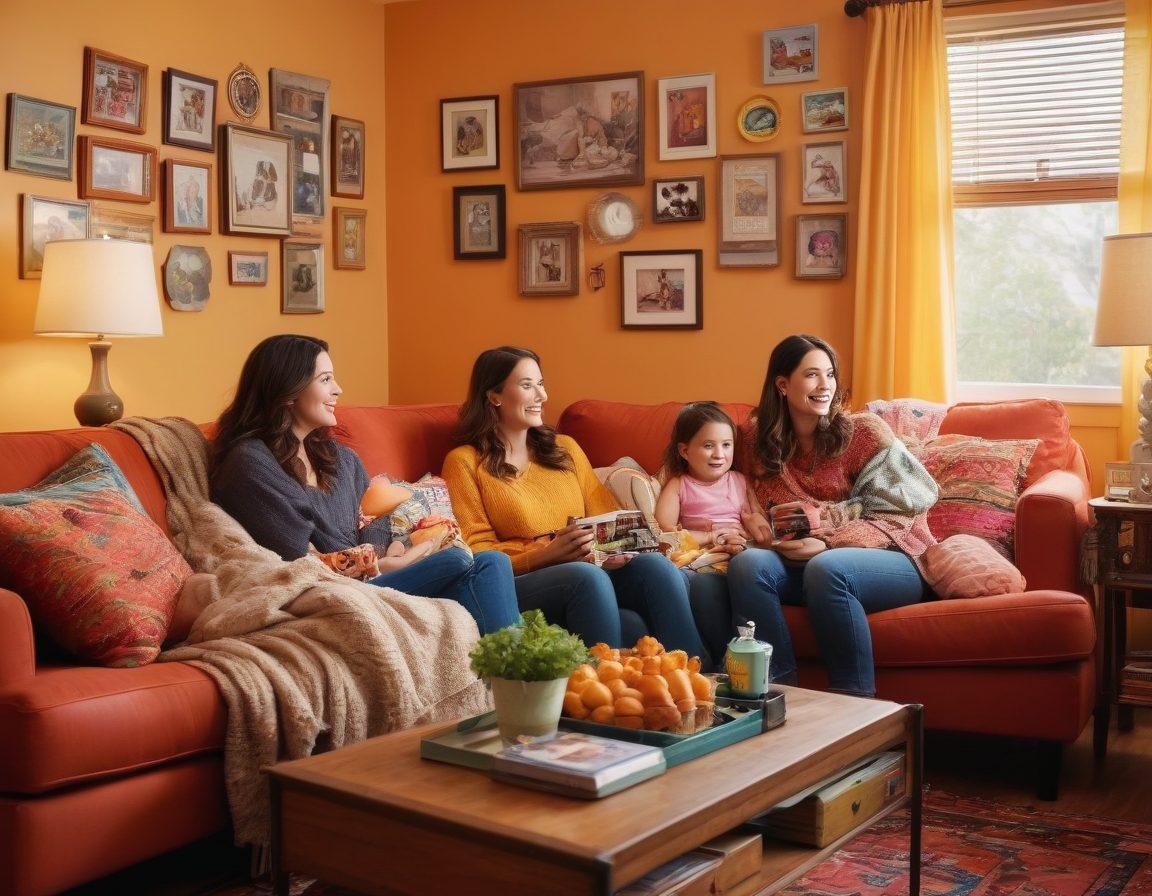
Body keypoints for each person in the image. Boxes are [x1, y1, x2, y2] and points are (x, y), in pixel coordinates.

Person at [209, 334, 521, 636]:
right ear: (288, 392)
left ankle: (521, 679)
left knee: (494, 564)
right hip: (328, 595)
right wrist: (380, 565)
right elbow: (294, 555)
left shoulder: (340, 459)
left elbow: (371, 518)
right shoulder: (250, 462)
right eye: (325, 380)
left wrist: (390, 552)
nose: (338, 390)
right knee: (461, 560)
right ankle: (523, 679)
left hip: (370, 580)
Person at [442, 346, 708, 660]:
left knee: (655, 567)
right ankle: (602, 692)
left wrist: (611, 550)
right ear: (494, 396)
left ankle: (699, 676)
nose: (541, 394)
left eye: (541, 383)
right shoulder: (465, 462)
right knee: (588, 578)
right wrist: (547, 554)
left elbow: (607, 517)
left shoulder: (564, 448)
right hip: (523, 579)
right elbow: (475, 552)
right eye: (527, 385)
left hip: (587, 564)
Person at [728, 334, 939, 696]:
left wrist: (825, 541)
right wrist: (753, 529)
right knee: (748, 565)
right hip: (801, 564)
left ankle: (856, 709)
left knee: (828, 567)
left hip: (893, 557)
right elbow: (728, 492)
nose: (825, 385)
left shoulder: (865, 433)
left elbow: (908, 505)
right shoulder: (753, 441)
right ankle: (775, 696)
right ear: (782, 384)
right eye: (811, 375)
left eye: (830, 374)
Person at [654, 402, 759, 663]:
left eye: (726, 445)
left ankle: (736, 656)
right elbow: (663, 531)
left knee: (733, 578)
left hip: (734, 556)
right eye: (708, 445)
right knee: (699, 584)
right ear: (685, 450)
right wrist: (712, 536)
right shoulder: (679, 485)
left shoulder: (739, 482)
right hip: (697, 558)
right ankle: (710, 661)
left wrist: (743, 537)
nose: (719, 454)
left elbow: (755, 522)